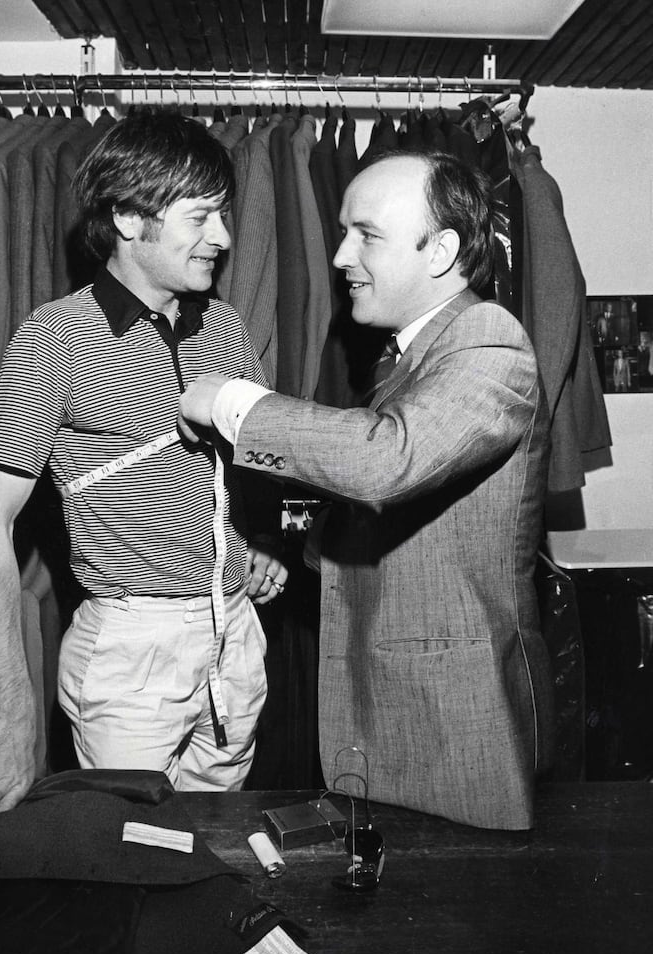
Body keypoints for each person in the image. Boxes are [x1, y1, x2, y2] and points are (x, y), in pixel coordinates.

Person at [0, 110, 287, 828]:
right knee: (133, 864)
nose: (221, 237)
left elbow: (257, 458)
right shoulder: (53, 339)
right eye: (200, 216)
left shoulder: (226, 326)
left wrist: (263, 540)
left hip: (235, 637)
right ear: (129, 216)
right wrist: (13, 710)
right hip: (130, 653)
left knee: (215, 851)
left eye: (222, 213)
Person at [179, 149, 555, 831]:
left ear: (440, 250)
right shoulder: (406, 357)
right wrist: (295, 542)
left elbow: (387, 461)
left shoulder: (488, 339)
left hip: (457, 723)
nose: (342, 255)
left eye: (366, 235)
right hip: (399, 713)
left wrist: (235, 403)